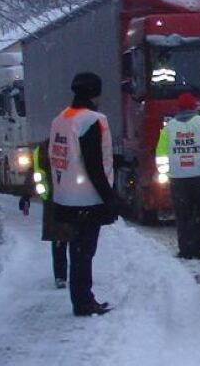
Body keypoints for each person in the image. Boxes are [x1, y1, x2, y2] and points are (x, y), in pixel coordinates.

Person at [48, 72, 119, 317]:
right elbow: (94, 164)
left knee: (75, 251)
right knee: (84, 253)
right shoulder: (91, 121)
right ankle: (84, 301)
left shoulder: (61, 119)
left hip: (64, 197)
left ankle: (80, 298)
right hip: (87, 198)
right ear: (94, 93)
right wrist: (109, 197)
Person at [155, 92, 200, 262]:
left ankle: (185, 249)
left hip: (178, 178)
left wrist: (166, 172)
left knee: (182, 215)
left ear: (179, 107)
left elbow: (161, 153)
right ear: (195, 107)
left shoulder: (168, 128)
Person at [18, 141, 70, 289]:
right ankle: (72, 275)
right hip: (72, 199)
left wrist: (26, 195)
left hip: (54, 201)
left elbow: (34, 171)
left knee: (60, 239)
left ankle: (61, 276)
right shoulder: (75, 142)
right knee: (74, 239)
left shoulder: (45, 147)